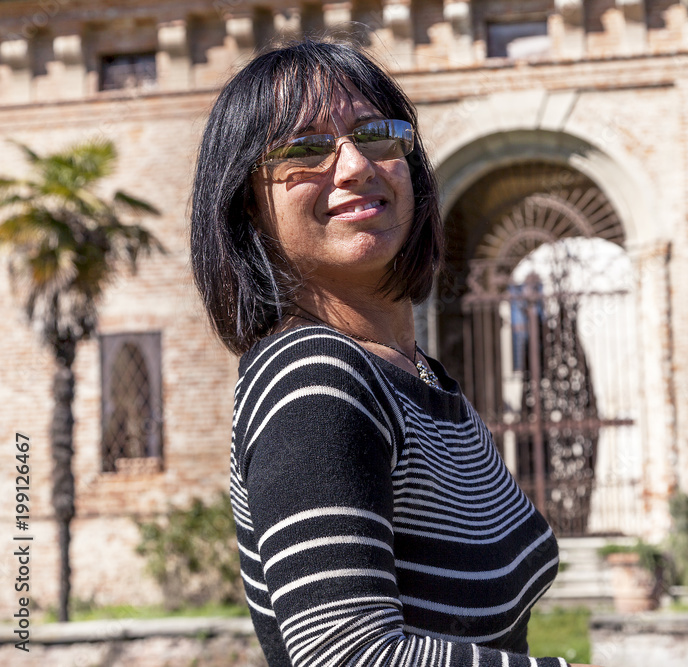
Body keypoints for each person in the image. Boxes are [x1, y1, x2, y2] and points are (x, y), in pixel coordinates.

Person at [190, 40, 599, 667]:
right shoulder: (315, 378)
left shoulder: (416, 377)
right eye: (304, 149)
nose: (355, 166)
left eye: (376, 134)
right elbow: (346, 655)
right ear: (248, 203)